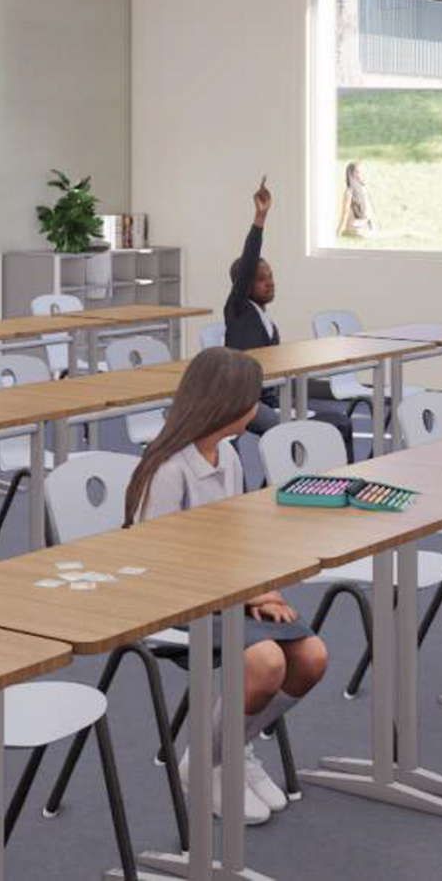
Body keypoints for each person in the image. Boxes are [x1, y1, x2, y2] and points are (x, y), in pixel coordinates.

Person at [126, 347, 328, 825]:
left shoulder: (230, 456)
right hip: (173, 601)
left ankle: (234, 750)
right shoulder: (167, 470)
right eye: (252, 399)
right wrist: (246, 593)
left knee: (311, 657)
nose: (257, 408)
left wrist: (265, 588)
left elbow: (236, 542)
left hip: (226, 591)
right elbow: (157, 564)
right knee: (264, 661)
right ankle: (204, 764)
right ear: (227, 403)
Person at [223, 177, 356, 458]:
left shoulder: (265, 319)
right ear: (244, 285)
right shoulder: (238, 309)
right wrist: (260, 218)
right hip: (245, 402)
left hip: (272, 397)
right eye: (261, 279)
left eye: (271, 277)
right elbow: (249, 260)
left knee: (339, 423)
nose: (269, 283)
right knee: (293, 434)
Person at [336, 161, 376, 238]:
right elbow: (345, 212)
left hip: (359, 228)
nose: (362, 174)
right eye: (359, 172)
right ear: (352, 175)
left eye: (361, 172)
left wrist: (338, 232)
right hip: (360, 228)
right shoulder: (355, 190)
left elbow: (346, 212)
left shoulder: (355, 190)